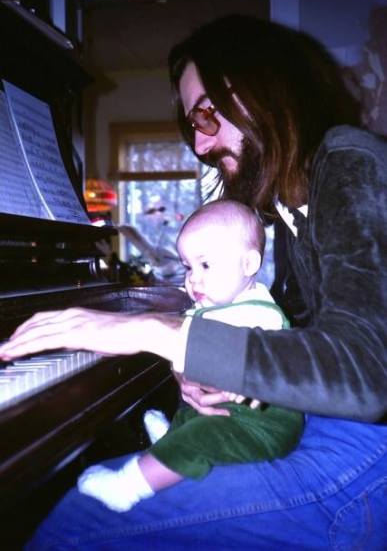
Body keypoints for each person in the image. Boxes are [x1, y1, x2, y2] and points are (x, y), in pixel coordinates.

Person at [1, 14, 386, 549]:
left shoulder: (349, 161)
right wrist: (214, 364)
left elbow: (364, 373)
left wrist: (161, 332)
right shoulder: (294, 206)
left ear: (267, 87)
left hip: (369, 449)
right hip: (326, 424)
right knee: (108, 483)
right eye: (191, 126)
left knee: (82, 521)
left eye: (206, 116)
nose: (200, 146)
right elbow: (294, 332)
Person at [76, 199, 303, 513]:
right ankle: (171, 439)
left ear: (249, 265)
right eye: (188, 267)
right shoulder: (217, 306)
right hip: (232, 413)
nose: (193, 278)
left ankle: (127, 487)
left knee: (202, 435)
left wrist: (137, 335)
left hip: (262, 427)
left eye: (205, 265)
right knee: (192, 410)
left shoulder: (261, 314)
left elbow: (191, 342)